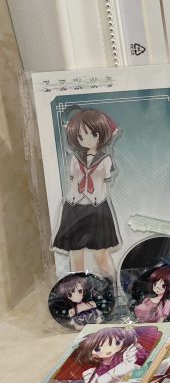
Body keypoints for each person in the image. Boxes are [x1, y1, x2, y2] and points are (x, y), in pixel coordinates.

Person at [51, 107, 122, 279]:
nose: (86, 140)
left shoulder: (106, 159)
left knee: (101, 254)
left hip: (97, 208)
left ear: (101, 134)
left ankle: (112, 287)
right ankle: (79, 288)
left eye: (93, 134)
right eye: (81, 136)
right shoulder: (75, 159)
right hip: (74, 206)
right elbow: (73, 180)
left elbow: (107, 181)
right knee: (75, 254)